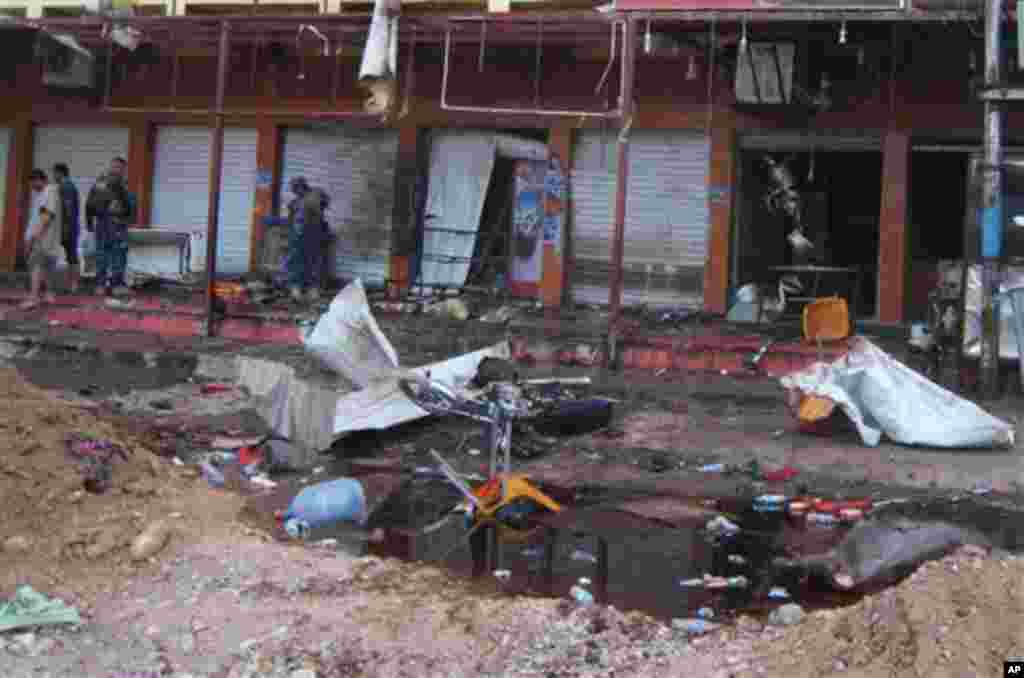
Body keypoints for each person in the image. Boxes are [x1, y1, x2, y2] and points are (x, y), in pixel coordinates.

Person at [86, 157, 135, 297]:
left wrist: (128, 219)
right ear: (111, 167)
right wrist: (89, 223)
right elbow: (89, 204)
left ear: (124, 170)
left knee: (118, 255)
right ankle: (103, 284)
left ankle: (115, 284)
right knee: (104, 255)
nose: (116, 170)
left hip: (118, 224)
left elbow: (130, 208)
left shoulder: (122, 185)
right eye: (115, 167)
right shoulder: (101, 183)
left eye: (119, 168)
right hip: (105, 224)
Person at [20, 169, 63, 310]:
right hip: (45, 237)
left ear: (38, 179)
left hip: (42, 237)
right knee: (45, 268)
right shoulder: (45, 194)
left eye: (32, 183)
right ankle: (49, 294)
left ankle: (33, 298)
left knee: (36, 267)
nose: (32, 186)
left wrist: (35, 236)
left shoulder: (49, 192)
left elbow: (47, 215)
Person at [285, 176, 329, 303]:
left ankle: (311, 290)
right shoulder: (295, 203)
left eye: (295, 188)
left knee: (312, 263)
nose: (294, 191)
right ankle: (297, 290)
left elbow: (323, 204)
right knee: (298, 263)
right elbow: (291, 220)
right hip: (299, 237)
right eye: (293, 189)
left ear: (301, 187)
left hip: (313, 236)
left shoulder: (315, 195)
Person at [52, 163, 81, 293]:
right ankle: (70, 285)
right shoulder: (67, 186)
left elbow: (68, 208)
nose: (53, 176)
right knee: (71, 256)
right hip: (67, 226)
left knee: (71, 256)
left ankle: (73, 285)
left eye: (54, 173)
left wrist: (66, 227)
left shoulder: (66, 186)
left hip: (66, 227)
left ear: (60, 173)